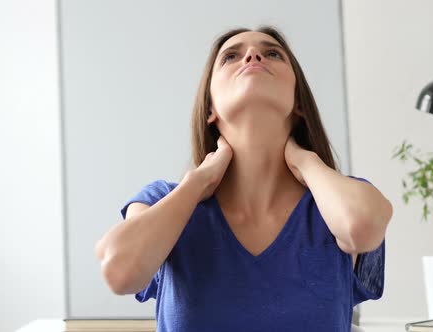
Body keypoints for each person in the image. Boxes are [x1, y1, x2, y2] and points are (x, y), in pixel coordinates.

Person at [95, 26, 393, 332]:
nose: (253, 55)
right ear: (209, 109)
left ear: (299, 103)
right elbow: (120, 271)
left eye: (273, 53)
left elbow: (363, 228)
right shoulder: (164, 201)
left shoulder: (337, 204)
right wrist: (197, 183)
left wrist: (307, 162)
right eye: (231, 56)